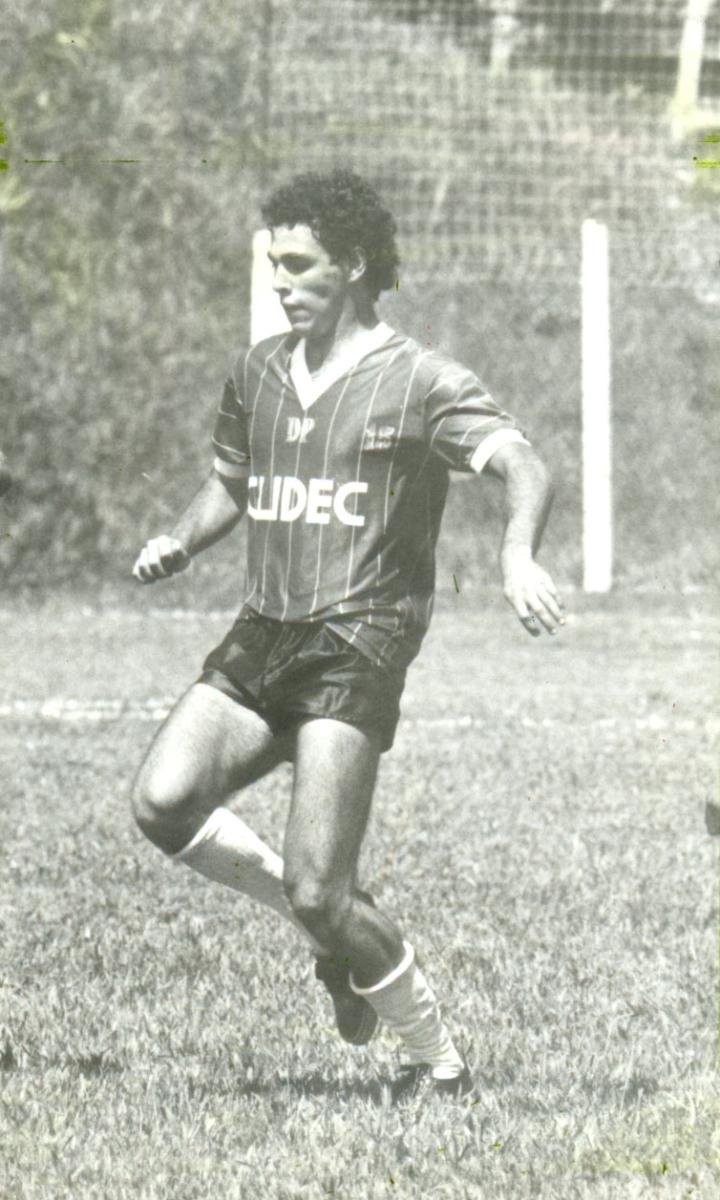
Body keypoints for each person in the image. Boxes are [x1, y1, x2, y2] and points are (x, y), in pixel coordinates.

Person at [131, 168, 563, 1102]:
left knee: (324, 891)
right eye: (274, 265)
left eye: (299, 265)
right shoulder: (256, 372)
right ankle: (323, 927)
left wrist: (518, 556)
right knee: (163, 803)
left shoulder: (421, 380)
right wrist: (180, 537)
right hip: (263, 633)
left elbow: (523, 464)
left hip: (357, 643)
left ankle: (436, 1062)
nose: (281, 283)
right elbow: (234, 484)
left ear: (354, 264)